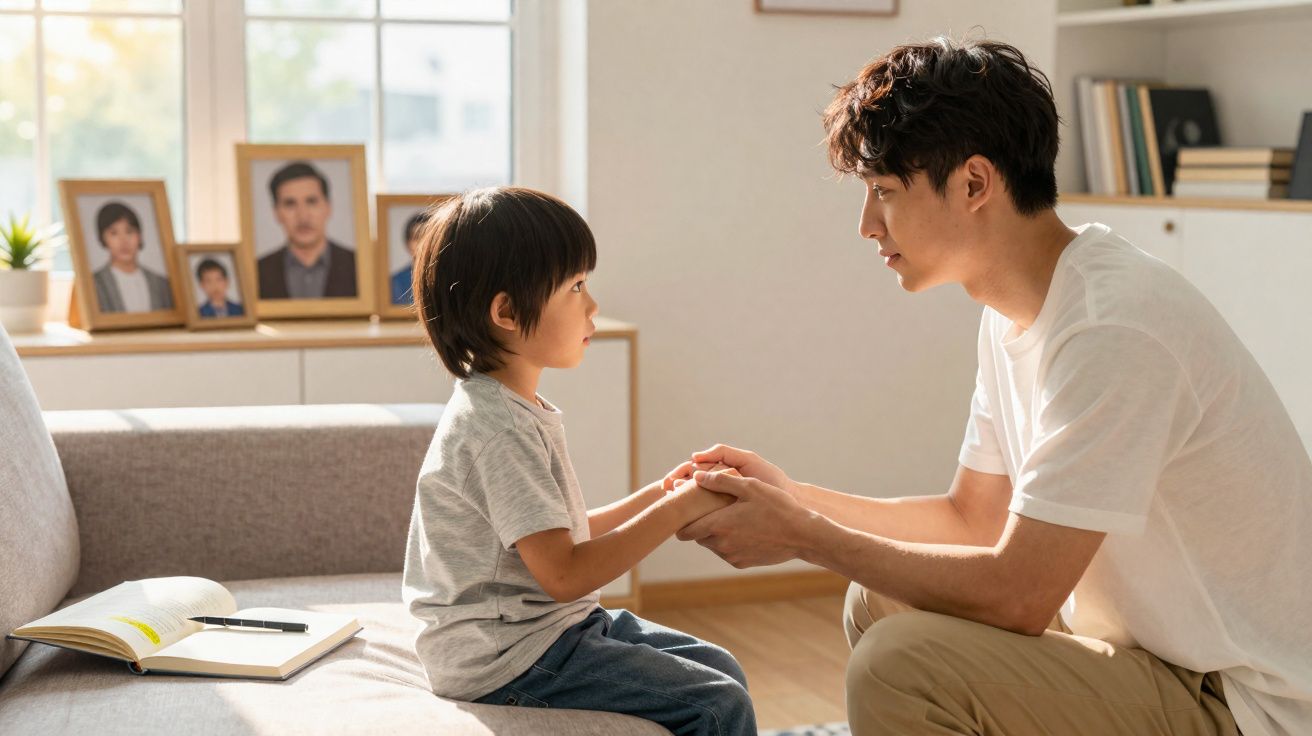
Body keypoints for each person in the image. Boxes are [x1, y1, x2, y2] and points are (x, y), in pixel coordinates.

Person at [674, 37, 1312, 736]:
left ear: (975, 184)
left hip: (1243, 701)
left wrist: (804, 537)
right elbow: (973, 519)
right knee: (879, 603)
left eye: (885, 192)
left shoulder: (1112, 326)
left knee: (900, 664)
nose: (867, 225)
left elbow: (1020, 596)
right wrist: (788, 499)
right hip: (1160, 660)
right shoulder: (1017, 310)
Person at [402, 186, 755, 735]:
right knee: (716, 704)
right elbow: (564, 574)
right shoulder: (496, 430)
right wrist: (678, 510)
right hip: (503, 655)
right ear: (508, 312)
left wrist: (663, 493)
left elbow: (563, 538)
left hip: (546, 629)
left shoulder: (513, 409)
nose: (593, 306)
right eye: (577, 287)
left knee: (722, 669)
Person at [256, 161, 357, 299]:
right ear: (276, 213)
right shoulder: (257, 272)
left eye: (311, 202)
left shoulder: (358, 266)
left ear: (328, 208)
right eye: (290, 204)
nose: (303, 216)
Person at [91, 201, 174, 314]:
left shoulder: (161, 284)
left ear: (139, 236)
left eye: (129, 231)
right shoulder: (94, 284)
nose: (123, 241)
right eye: (114, 233)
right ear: (103, 239)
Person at [389, 211, 427, 306]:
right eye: (416, 237)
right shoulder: (396, 281)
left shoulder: (447, 277)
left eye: (426, 236)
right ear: (408, 243)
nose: (422, 243)